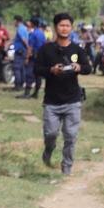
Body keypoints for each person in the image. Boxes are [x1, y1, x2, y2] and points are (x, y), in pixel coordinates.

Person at [34, 12, 92, 176]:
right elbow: (36, 70)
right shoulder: (46, 49)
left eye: (67, 25)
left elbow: (88, 68)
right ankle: (48, 151)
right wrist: (51, 70)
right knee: (51, 134)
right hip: (51, 102)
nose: (64, 28)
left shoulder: (77, 49)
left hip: (72, 100)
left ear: (71, 28)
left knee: (70, 136)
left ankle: (66, 167)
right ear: (55, 27)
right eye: (61, 25)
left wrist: (79, 67)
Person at [18, 17, 46, 99]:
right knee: (38, 75)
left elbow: (30, 47)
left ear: (33, 24)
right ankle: (36, 93)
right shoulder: (41, 33)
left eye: (30, 22)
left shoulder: (33, 34)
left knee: (29, 74)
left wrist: (27, 57)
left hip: (34, 57)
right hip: (41, 56)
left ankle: (26, 93)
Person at [12, 15, 30, 91]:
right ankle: (22, 84)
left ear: (17, 21)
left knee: (17, 68)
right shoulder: (25, 28)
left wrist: (28, 48)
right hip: (23, 51)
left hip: (20, 51)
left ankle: (18, 85)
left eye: (14, 21)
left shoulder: (20, 29)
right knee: (22, 68)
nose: (13, 22)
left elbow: (24, 40)